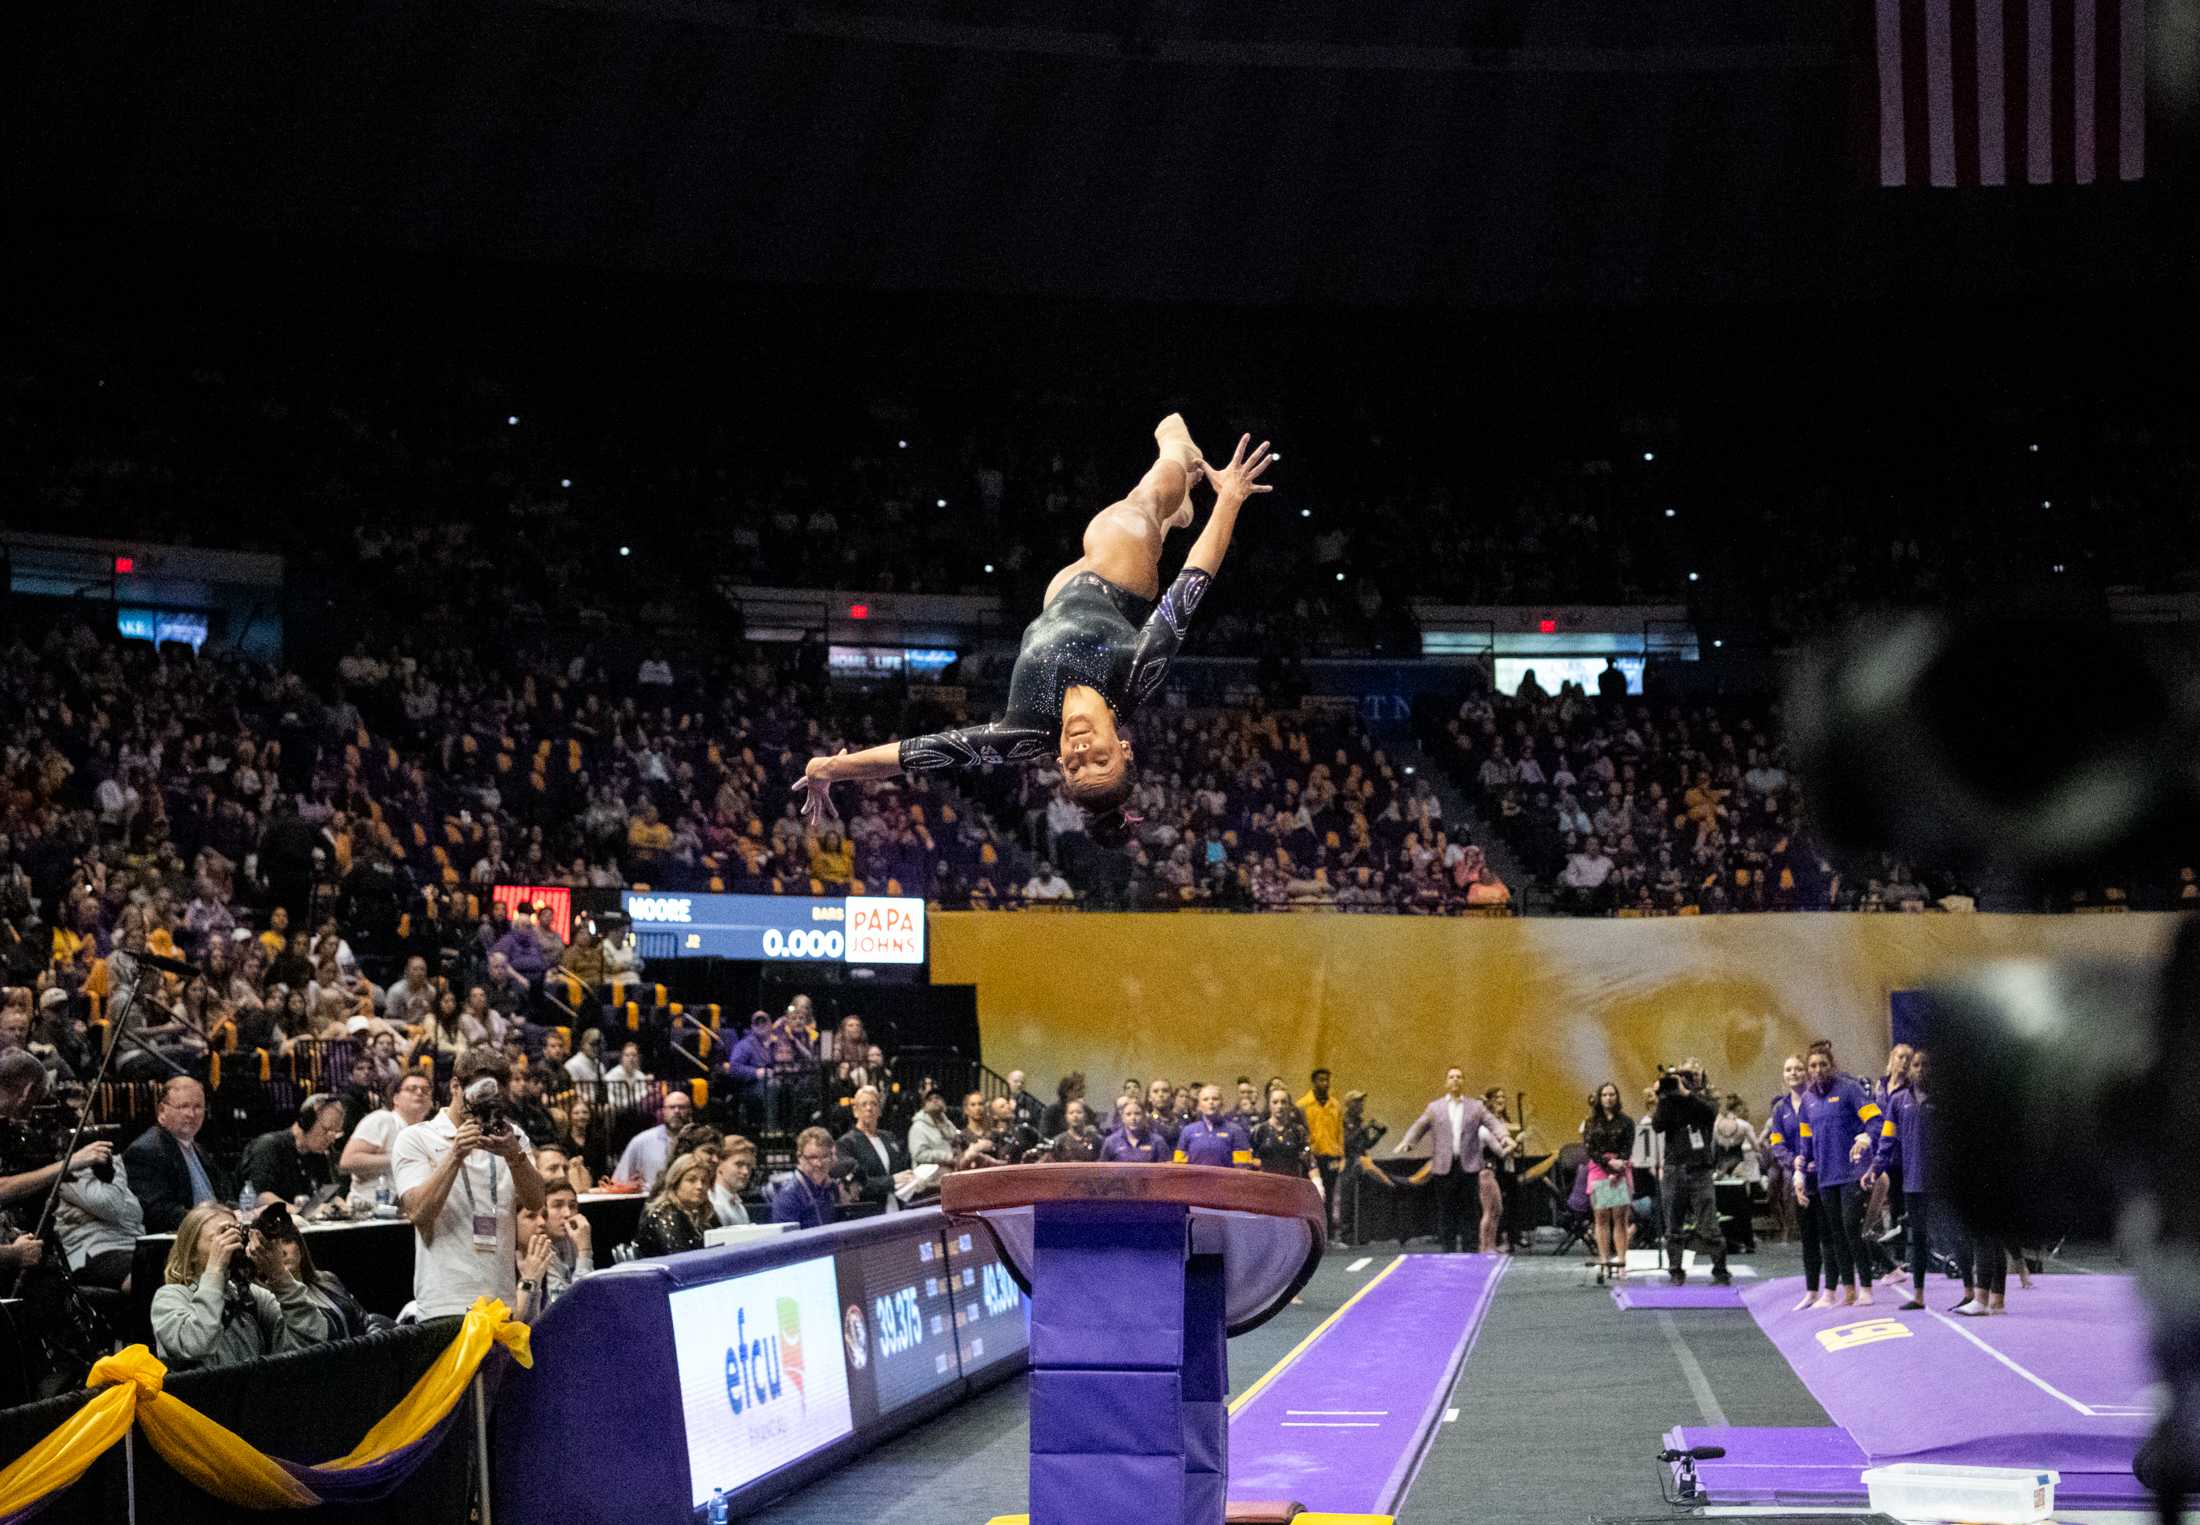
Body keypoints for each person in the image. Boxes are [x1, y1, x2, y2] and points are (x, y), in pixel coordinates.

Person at [797, 424, 1276, 850]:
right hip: (1119, 577)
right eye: (1100, 759)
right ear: (1124, 746)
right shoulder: (1136, 674)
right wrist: (1230, 499)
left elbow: (918, 754)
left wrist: (836, 769)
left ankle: (1174, 515)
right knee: (1138, 506)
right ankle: (1176, 449)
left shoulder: (1026, 734)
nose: (1082, 753)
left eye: (1074, 767)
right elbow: (1190, 582)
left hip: (1059, 597)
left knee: (1157, 520)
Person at [392, 1048, 547, 1319]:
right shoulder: (416, 1138)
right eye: (479, 1095)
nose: (485, 1106)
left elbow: (535, 1201)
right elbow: (418, 1212)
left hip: (501, 1302)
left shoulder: (512, 1138)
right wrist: (455, 1154)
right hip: (445, 1303)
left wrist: (514, 1155)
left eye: (494, 1098)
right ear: (455, 1086)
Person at [150, 1203, 328, 1371]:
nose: (231, 1244)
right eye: (220, 1238)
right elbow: (196, 1344)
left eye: (236, 1235)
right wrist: (215, 1271)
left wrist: (280, 1276)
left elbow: (311, 1341)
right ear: (192, 1252)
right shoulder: (170, 1298)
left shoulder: (251, 1296)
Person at [1796, 1041, 1891, 1309]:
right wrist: (1800, 1176)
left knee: (1852, 1228)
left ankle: (1867, 1288)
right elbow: (1806, 1145)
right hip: (1826, 1177)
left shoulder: (1849, 1089)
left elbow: (1876, 1121)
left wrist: (1864, 1138)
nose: (1817, 1070)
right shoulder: (1807, 1101)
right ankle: (1847, 1290)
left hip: (1852, 1172)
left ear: (1832, 1066)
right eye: (1812, 1065)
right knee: (1836, 1233)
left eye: (1822, 1065)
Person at [1398, 1067, 1503, 1254]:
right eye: (1451, 1077)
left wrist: (1504, 1137)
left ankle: (1470, 1250)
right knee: (1446, 1211)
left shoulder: (1475, 1107)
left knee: (1470, 1211)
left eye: (1459, 1077)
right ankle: (1448, 1250)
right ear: (1446, 1082)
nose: (1455, 1080)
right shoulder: (1435, 1108)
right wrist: (1408, 1142)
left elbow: (1492, 1122)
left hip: (1468, 1166)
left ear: (1463, 1081)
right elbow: (1419, 1126)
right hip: (1444, 1167)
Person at [1651, 1061, 1731, 1286]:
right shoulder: (1669, 1102)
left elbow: (1709, 1114)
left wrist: (1687, 1094)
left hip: (1700, 1170)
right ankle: (1675, 1269)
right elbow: (1658, 1125)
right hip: (1674, 1168)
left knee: (1708, 1224)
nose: (1683, 1081)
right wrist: (1663, 1097)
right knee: (1673, 1224)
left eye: (1689, 1077)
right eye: (1681, 1078)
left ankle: (1720, 1269)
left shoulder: (1704, 1100)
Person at [1873, 1046, 1940, 1312]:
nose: (1920, 1070)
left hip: (1941, 1183)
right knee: (1918, 1239)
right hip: (1913, 1182)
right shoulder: (1899, 1100)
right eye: (1916, 1065)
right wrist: (1875, 1168)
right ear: (1909, 1069)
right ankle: (1919, 1296)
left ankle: (1972, 1293)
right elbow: (1887, 1140)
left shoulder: (1942, 1099)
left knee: (1957, 1237)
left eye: (1925, 1065)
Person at [118, 1075, 227, 1232]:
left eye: (198, 1107)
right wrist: (210, 1222)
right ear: (162, 1111)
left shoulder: (198, 1149)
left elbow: (220, 1197)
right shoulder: (146, 1151)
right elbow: (159, 1213)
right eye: (184, 1106)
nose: (191, 1114)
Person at [1764, 1055, 1823, 1310]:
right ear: (1783, 1074)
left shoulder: (1818, 1101)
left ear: (1806, 1073)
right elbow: (1777, 1143)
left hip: (1824, 1175)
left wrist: (1815, 1161)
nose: (1794, 1073)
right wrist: (1794, 1162)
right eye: (1789, 1069)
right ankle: (1811, 1291)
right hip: (1799, 1177)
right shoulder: (1780, 1109)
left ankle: (1834, 1290)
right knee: (1808, 1237)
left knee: (1831, 1236)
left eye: (1799, 1069)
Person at [341, 1071, 434, 1211]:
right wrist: (400, 1158)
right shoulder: (382, 1120)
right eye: (412, 1089)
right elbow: (348, 1161)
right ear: (396, 1098)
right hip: (369, 1213)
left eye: (426, 1090)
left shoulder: (428, 1132)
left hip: (408, 1213)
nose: (420, 1093)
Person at [239, 1094, 345, 1207]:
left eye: (336, 1132)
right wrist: (299, 1213)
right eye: (327, 1130)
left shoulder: (318, 1154)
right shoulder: (268, 1147)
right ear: (306, 1122)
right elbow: (260, 1197)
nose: (332, 1139)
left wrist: (340, 1205)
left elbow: (328, 1195)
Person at [1582, 1082, 1635, 1284]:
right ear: (1599, 1097)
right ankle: (1604, 1261)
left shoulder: (1627, 1122)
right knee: (1601, 1217)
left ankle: (1621, 1261)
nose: (1608, 1098)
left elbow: (1628, 1147)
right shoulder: (1591, 1122)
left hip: (1620, 1167)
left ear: (1617, 1097)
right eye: (1604, 1094)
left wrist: (1617, 1167)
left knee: (1620, 1217)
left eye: (1612, 1094)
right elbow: (1590, 1149)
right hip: (1599, 1169)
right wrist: (1607, 1164)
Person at [837, 1085, 913, 1209]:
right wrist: (892, 1181)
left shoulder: (889, 1137)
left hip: (898, 1207)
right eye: (864, 1104)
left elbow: (901, 1171)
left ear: (880, 1110)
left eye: (874, 1104)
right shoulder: (846, 1143)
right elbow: (859, 1184)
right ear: (855, 1111)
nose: (869, 1108)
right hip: (870, 1212)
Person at [633, 1151, 714, 1258]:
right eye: (691, 1180)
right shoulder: (665, 1214)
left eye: (704, 1181)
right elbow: (679, 1258)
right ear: (675, 1183)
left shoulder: (699, 1216)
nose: (700, 1186)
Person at [611, 1088, 695, 1188]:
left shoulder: (701, 1140)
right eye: (672, 1107)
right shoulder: (641, 1141)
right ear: (663, 1111)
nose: (676, 1111)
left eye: (682, 1107)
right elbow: (619, 1181)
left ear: (690, 1111)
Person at [771, 1127, 850, 1230]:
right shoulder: (789, 1195)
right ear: (800, 1157)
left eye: (825, 1157)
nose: (819, 1164)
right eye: (813, 1157)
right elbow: (786, 1241)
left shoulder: (832, 1188)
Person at [1297, 1069, 1344, 1225]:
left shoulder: (1335, 1105)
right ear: (1314, 1082)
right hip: (1312, 1158)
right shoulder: (1303, 1105)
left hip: (1331, 1155)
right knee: (1311, 1194)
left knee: (1330, 1196)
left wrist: (1341, 1155)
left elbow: (1340, 1133)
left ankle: (1329, 1234)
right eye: (1321, 1080)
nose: (1324, 1083)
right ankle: (1311, 1229)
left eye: (1327, 1080)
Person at [1175, 1083, 1253, 1167]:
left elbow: (1243, 1168)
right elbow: (1179, 1167)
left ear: (1222, 1103)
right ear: (1199, 1105)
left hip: (1225, 1180)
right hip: (1195, 1179)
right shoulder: (1188, 1131)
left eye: (1215, 1099)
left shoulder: (1236, 1131)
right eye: (1205, 1099)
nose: (1211, 1102)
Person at [1251, 1090, 1313, 1180]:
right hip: (1266, 1184)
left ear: (1289, 1105)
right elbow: (1250, 1159)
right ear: (1269, 1105)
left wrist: (1317, 1182)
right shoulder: (1259, 1130)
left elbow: (1309, 1160)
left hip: (1291, 1184)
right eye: (1275, 1102)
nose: (1279, 1106)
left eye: (1283, 1102)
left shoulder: (1298, 1131)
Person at [555, 1093, 608, 1190]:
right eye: (576, 1113)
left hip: (596, 1188)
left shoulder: (598, 1140)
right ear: (570, 1116)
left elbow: (602, 1168)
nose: (581, 1116)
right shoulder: (562, 1141)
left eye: (585, 1112)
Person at [1101, 1095, 1168, 1163]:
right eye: (1128, 1114)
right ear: (1122, 1118)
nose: (1133, 1118)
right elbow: (1102, 1170)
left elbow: (1166, 1170)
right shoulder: (1111, 1142)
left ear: (1144, 1116)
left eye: (1137, 1114)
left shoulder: (1158, 1141)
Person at [710, 1138, 760, 1226]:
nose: (746, 1171)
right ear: (719, 1163)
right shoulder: (713, 1204)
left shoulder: (735, 1202)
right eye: (739, 1164)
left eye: (749, 1166)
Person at [907, 1087, 958, 1170]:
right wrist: (947, 1157)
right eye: (929, 1099)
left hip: (949, 1174)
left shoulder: (948, 1123)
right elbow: (919, 1154)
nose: (934, 1101)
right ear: (924, 1107)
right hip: (928, 1179)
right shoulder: (918, 1127)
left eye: (938, 1098)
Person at [1040, 1071, 1085, 1138]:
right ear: (1067, 1092)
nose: (1081, 1094)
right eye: (1078, 1090)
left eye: (1082, 1089)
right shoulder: (1051, 1111)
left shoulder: (1085, 1110)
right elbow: (1044, 1136)